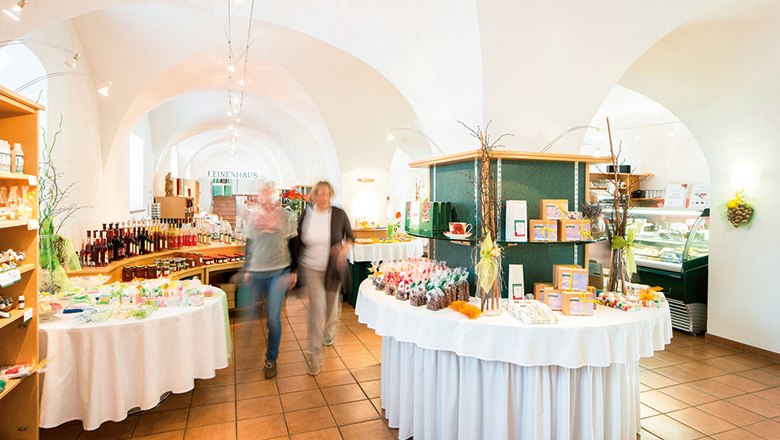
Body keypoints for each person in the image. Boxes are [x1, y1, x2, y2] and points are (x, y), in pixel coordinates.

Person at [291, 180, 354, 375]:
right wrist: (293, 270)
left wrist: (343, 250)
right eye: (319, 193)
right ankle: (314, 356)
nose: (322, 197)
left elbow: (350, 237)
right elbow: (298, 244)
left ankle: (330, 330)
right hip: (311, 267)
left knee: (331, 308)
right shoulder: (306, 215)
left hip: (332, 269)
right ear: (314, 196)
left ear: (330, 195)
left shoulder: (339, 214)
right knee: (316, 311)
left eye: (325, 193)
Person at [242, 183, 298, 380]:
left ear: (275, 196)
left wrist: (294, 271)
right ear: (259, 196)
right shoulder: (253, 217)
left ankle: (271, 358)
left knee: (273, 318)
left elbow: (294, 244)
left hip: (278, 272)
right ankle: (245, 351)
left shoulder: (286, 217)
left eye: (269, 193)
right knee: (249, 316)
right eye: (262, 193)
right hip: (256, 272)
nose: (266, 197)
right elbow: (249, 244)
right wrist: (247, 268)